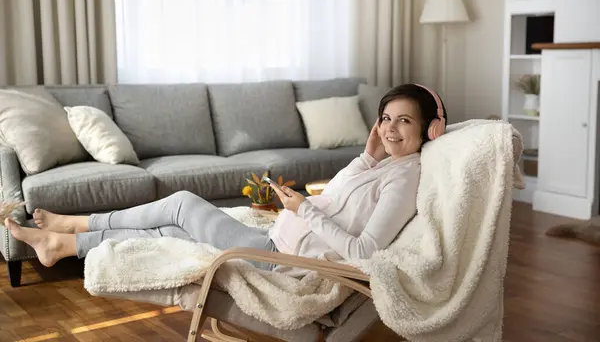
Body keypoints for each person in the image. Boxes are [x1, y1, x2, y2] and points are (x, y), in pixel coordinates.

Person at [4, 83, 448, 273]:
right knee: (170, 226)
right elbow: (344, 197)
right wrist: (366, 157)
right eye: (385, 118)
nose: (389, 128)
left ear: (430, 129)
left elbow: (364, 251)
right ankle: (62, 245)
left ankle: (75, 225)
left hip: (281, 259)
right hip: (278, 241)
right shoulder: (385, 165)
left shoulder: (404, 180)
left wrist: (302, 208)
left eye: (404, 121)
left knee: (180, 202)